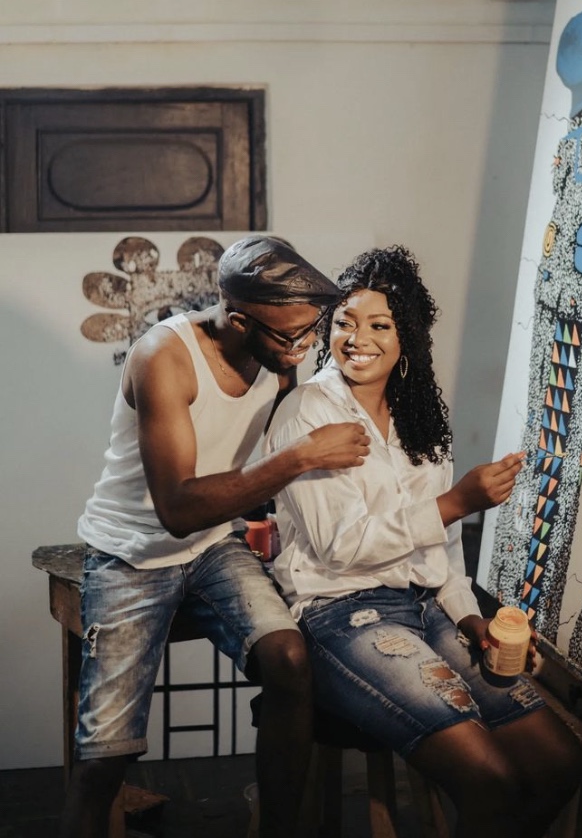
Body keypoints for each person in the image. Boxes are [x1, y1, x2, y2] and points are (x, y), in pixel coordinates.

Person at [265, 245, 582, 838]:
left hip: (430, 609)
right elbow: (340, 547)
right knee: (490, 780)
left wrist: (470, 619)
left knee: (560, 763)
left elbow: (443, 555)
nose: (358, 339)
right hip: (343, 616)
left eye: (380, 326)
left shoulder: (421, 421)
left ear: (406, 338)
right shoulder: (306, 411)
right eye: (345, 322)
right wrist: (456, 501)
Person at [60, 235, 371, 838]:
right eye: (291, 336)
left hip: (213, 546)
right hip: (132, 554)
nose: (304, 346)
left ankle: (275, 827)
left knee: (289, 661)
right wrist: (301, 457)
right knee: (105, 757)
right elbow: (177, 508)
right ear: (238, 320)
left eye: (311, 330)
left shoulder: (279, 351)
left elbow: (255, 460)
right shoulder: (164, 357)